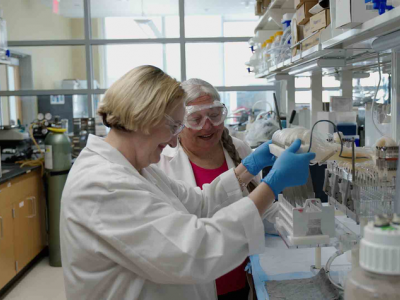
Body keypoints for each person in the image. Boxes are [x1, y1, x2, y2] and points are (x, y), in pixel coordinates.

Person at [60, 65, 315, 300]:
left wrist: (247, 169)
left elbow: (201, 203)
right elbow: (196, 251)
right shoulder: (103, 185)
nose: (174, 141)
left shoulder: (137, 169)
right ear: (143, 117)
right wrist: (271, 186)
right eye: (173, 126)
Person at [157, 78, 279, 299]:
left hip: (241, 275)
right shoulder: (161, 162)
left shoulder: (238, 148)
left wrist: (299, 221)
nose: (208, 126)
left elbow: (260, 208)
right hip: (196, 284)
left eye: (214, 115)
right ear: (179, 122)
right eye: (195, 119)